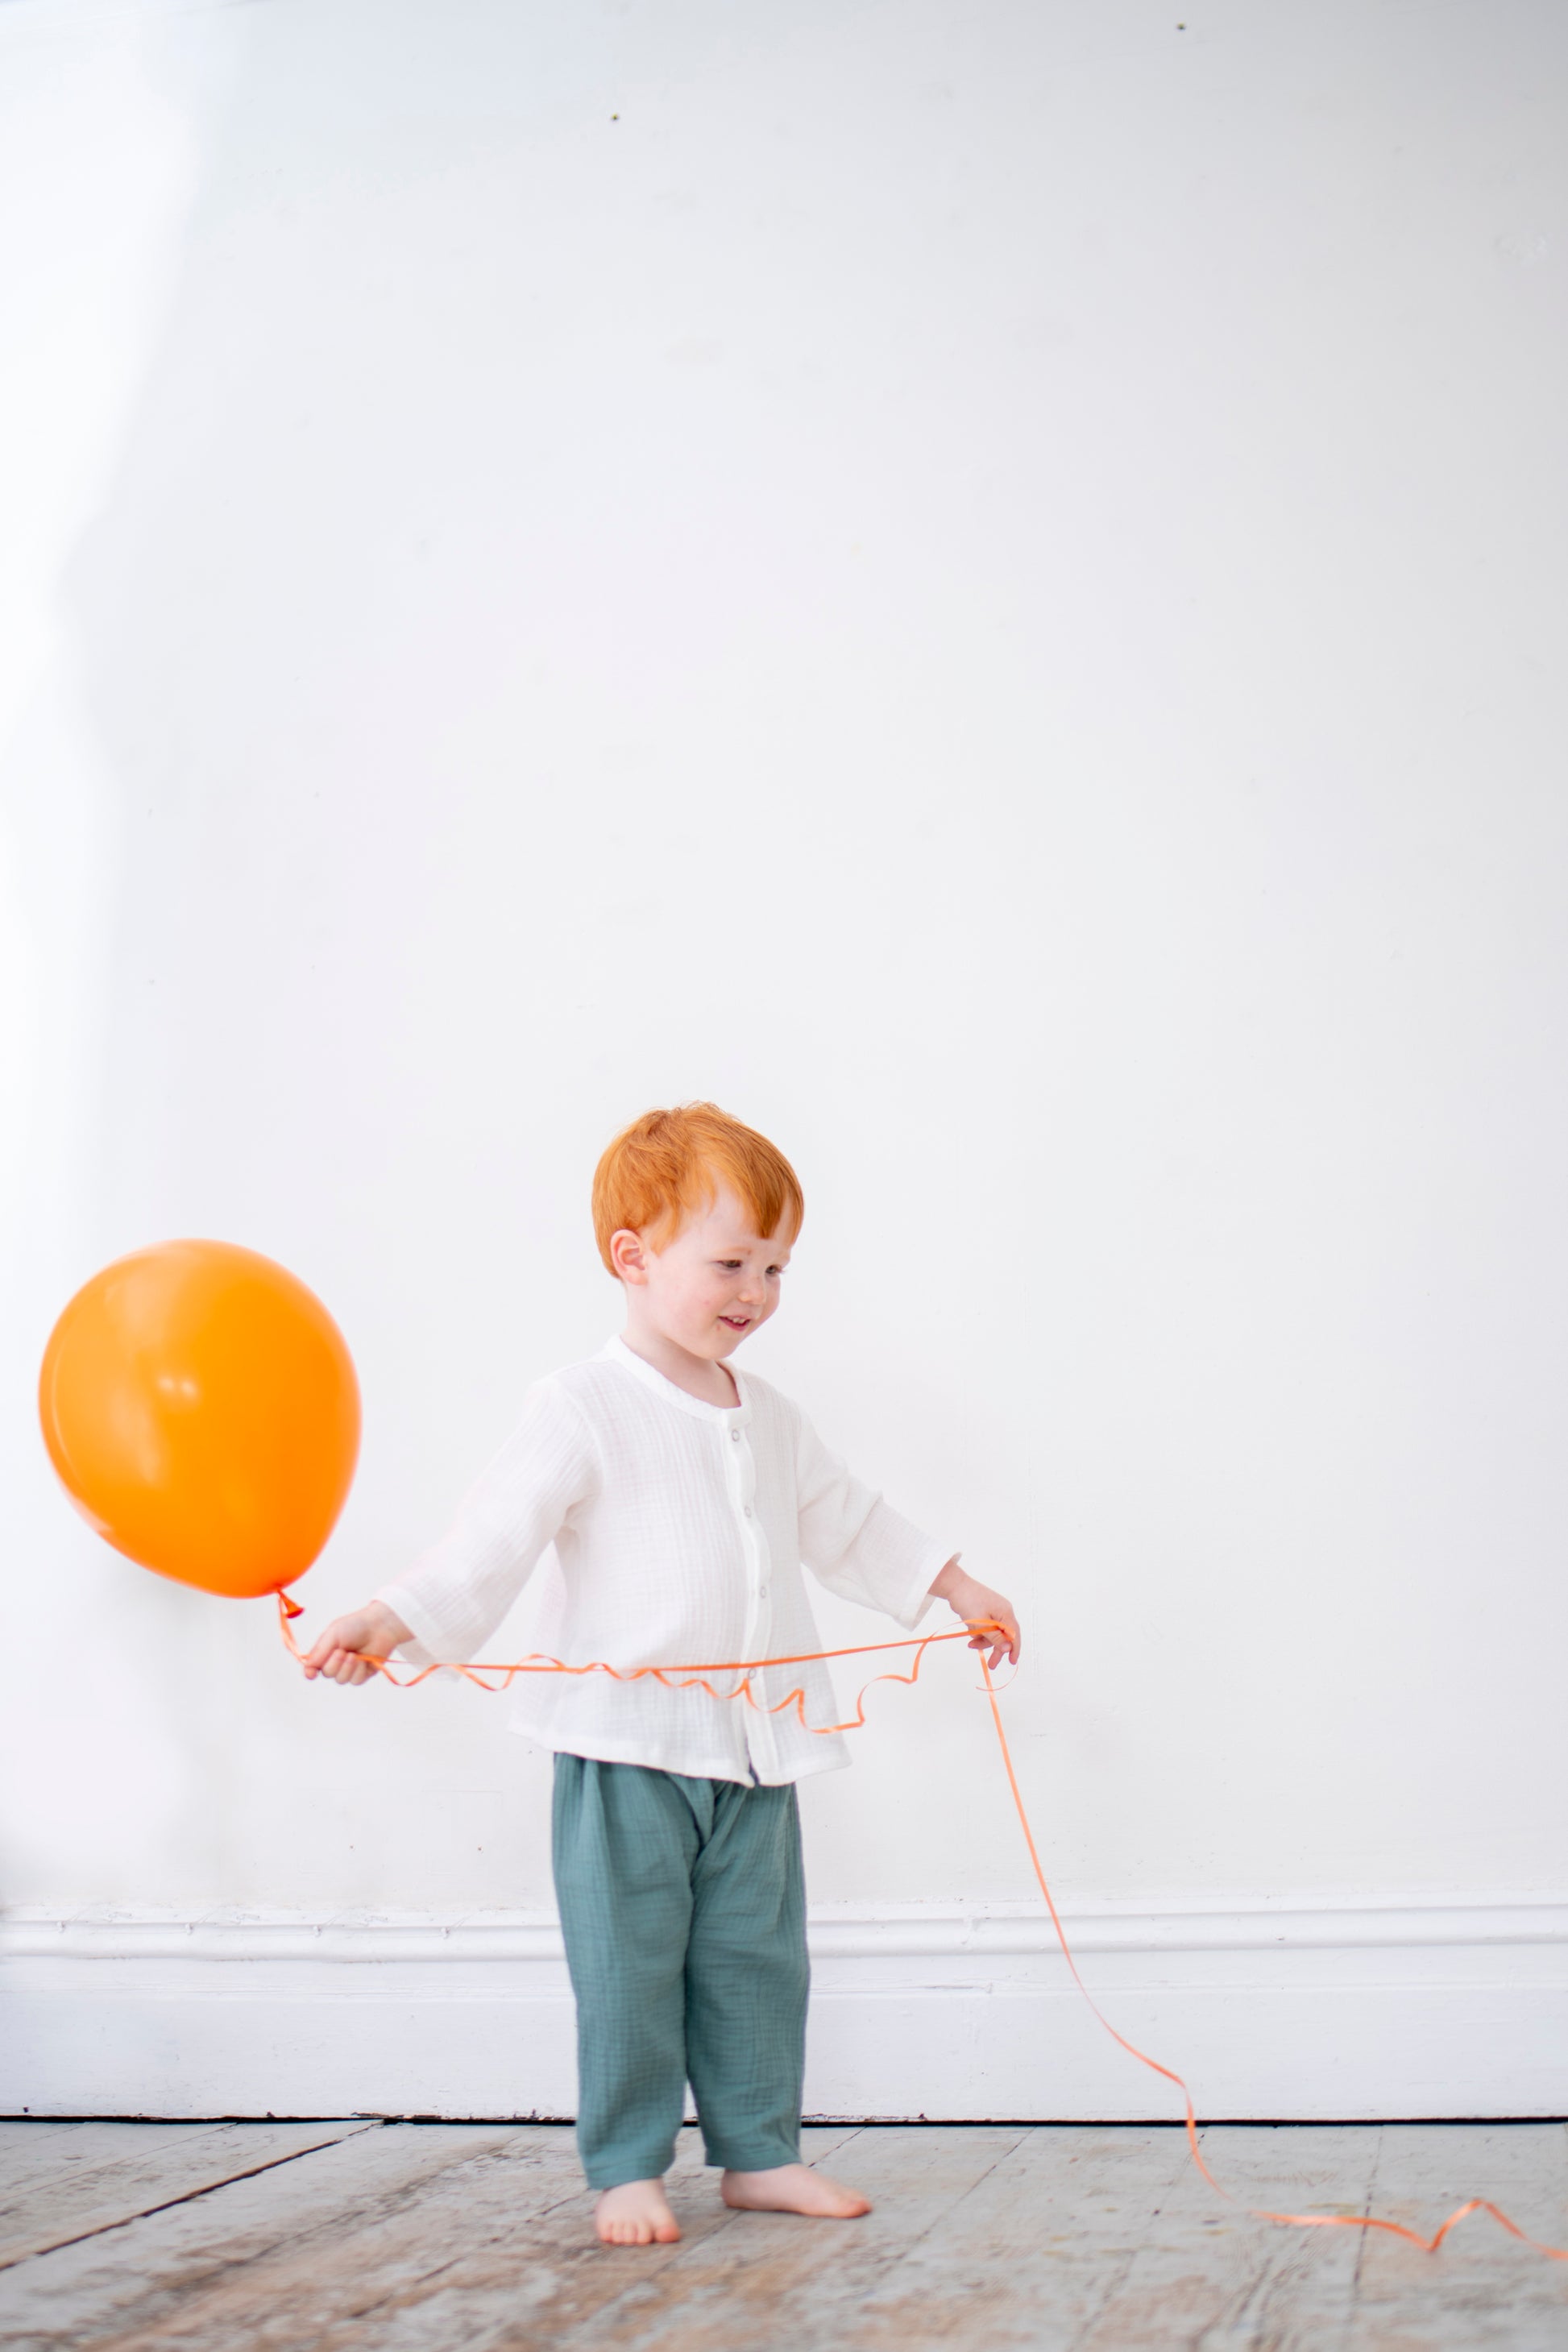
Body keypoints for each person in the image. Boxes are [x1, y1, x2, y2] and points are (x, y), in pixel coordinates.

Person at [302, 1102, 1021, 2246]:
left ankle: (760, 2154)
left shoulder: (769, 1415)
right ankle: (627, 2167)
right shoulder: (581, 1405)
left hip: (756, 1748)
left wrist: (956, 1585)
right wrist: (394, 1621)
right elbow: (493, 1537)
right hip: (622, 1751)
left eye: (776, 1268)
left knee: (757, 1965)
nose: (756, 1292)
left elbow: (847, 1519)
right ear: (632, 1257)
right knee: (628, 1968)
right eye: (730, 1263)